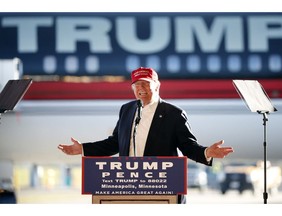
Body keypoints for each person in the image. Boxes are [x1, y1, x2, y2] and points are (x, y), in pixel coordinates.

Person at [58, 67, 234, 203]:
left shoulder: (174, 113)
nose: (140, 88)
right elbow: (114, 143)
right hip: (130, 186)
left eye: (145, 83)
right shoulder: (126, 110)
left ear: (157, 85)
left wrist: (206, 153)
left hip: (163, 187)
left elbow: (188, 146)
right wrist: (83, 148)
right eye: (136, 85)